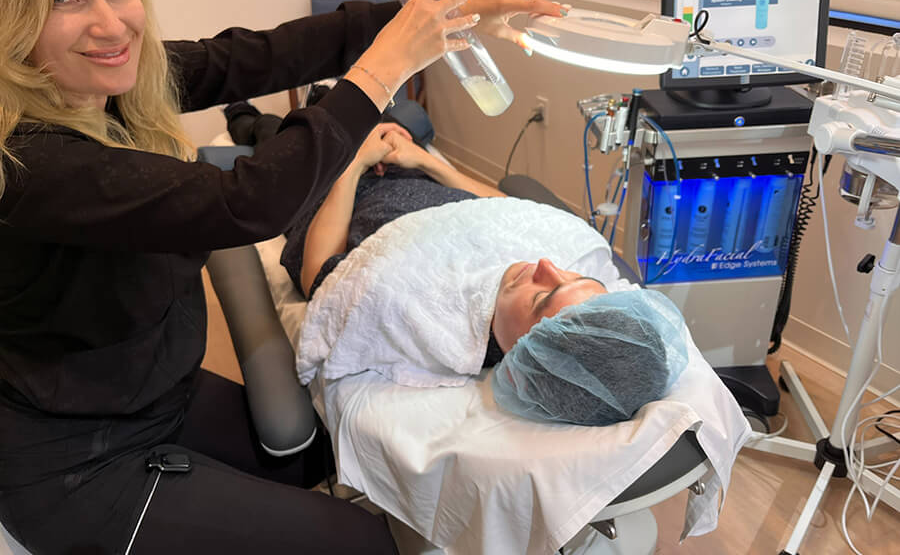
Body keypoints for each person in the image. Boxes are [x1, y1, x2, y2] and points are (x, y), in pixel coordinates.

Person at [0, 0, 564, 555]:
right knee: (361, 542)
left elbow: (258, 54)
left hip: (155, 394)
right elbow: (246, 203)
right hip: (77, 465)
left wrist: (441, 13)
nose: (112, 23)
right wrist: (387, 68)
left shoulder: (105, 85)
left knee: (334, 460)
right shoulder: (29, 163)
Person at [227, 107, 688, 426]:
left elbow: (319, 276)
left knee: (291, 137)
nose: (547, 264)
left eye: (544, 295)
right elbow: (510, 212)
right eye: (573, 277)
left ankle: (243, 118)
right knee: (358, 117)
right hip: (409, 173)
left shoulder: (415, 308)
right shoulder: (527, 290)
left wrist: (353, 164)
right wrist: (424, 161)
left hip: (331, 195)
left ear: (525, 357)